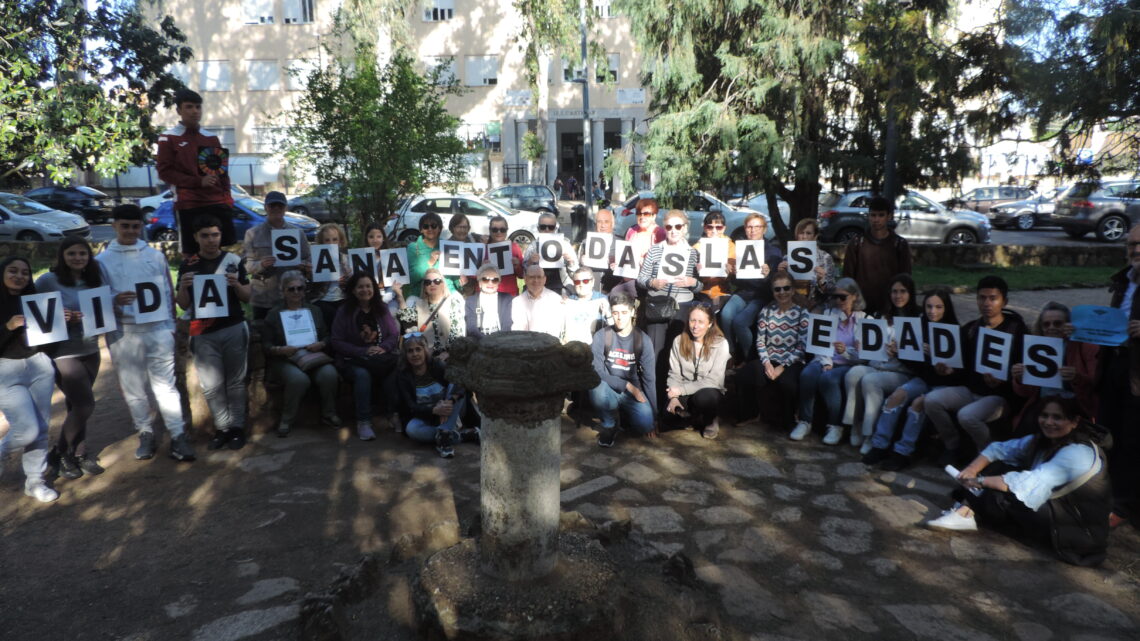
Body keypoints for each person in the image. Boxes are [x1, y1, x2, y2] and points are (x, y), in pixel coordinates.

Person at [925, 398, 1111, 567]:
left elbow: (1028, 483)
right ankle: (967, 510)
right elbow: (999, 449)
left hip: (1077, 531)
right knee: (999, 466)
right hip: (1056, 511)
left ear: (1075, 421)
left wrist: (979, 481)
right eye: (1044, 415)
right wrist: (972, 469)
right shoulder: (1044, 440)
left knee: (1003, 493)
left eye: (1057, 417)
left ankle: (967, 511)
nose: (1048, 422)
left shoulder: (1078, 452)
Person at [97, 204, 193, 461]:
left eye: (135, 226)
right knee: (133, 388)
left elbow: (167, 292)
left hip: (158, 329)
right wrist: (114, 300)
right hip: (124, 332)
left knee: (166, 386)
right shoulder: (102, 261)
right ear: (114, 226)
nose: (130, 231)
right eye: (125, 226)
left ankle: (178, 435)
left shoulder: (155, 256)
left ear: (142, 226)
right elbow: (98, 298)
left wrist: (170, 327)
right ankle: (145, 432)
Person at [925, 276, 1028, 465]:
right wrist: (948, 371)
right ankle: (952, 446)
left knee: (967, 416)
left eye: (993, 298)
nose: (986, 303)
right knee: (932, 400)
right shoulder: (971, 329)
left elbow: (1023, 370)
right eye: (982, 297)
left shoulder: (1017, 331)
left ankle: (988, 457)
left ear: (1004, 301)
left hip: (1000, 397)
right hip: (971, 391)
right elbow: (961, 367)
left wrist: (1004, 380)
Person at [175, 215, 252, 451]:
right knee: (211, 385)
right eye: (205, 236)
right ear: (196, 238)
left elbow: (248, 297)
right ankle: (222, 428)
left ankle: (237, 428)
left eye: (215, 235)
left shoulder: (233, 261)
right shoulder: (188, 265)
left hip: (232, 326)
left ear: (221, 236)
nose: (211, 240)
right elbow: (183, 304)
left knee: (235, 382)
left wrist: (236, 285)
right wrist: (184, 287)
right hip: (203, 330)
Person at [863, 287, 962, 470]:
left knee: (918, 404)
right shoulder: (918, 328)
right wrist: (899, 352)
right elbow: (914, 364)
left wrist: (941, 364)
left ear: (946, 308)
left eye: (938, 307)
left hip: (944, 386)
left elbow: (960, 373)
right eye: (929, 307)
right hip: (924, 380)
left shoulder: (955, 332)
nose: (933, 311)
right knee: (896, 396)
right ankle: (879, 445)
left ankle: (903, 452)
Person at [35, 239, 105, 479]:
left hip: (91, 349)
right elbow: (33, 314)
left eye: (82, 253)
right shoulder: (47, 281)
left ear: (89, 256)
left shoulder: (94, 280)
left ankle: (79, 453)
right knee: (85, 404)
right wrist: (59, 317)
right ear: (62, 256)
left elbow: (100, 311)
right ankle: (60, 452)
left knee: (76, 405)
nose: (77, 258)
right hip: (63, 352)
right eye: (72, 253)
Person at [0, 257, 60, 502]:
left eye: (25, 272)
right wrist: (7, 327)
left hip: (39, 366)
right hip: (5, 370)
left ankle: (35, 481)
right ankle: (2, 451)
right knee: (27, 429)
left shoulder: (35, 300)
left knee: (42, 428)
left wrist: (62, 320)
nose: (19, 276)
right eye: (13, 271)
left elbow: (51, 338)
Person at [841, 274, 922, 452]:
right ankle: (855, 424)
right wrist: (862, 345)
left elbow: (917, 357)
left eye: (903, 291)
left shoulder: (918, 318)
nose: (898, 296)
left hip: (900, 372)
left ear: (910, 293)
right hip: (875, 365)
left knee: (871, 381)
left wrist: (900, 352)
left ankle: (870, 434)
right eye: (894, 291)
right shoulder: (880, 315)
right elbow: (869, 348)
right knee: (853, 374)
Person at [155, 88, 236, 255]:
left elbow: (222, 171)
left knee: (223, 252)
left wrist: (227, 199)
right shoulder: (168, 138)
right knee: (191, 254)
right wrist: (198, 182)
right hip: (189, 204)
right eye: (189, 107)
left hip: (217, 203)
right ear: (178, 110)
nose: (195, 111)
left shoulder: (211, 138)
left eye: (198, 107)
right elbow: (165, 173)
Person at [262, 270, 341, 436]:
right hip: (285, 359)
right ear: (283, 291)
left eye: (300, 288)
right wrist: (280, 350)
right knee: (299, 379)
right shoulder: (274, 314)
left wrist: (321, 343)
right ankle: (286, 419)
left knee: (329, 374)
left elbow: (327, 336)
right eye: (291, 289)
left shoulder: (315, 310)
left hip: (312, 356)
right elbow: (266, 344)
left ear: (305, 290)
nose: (296, 292)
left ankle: (329, 413)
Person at [637, 209, 702, 407]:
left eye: (678, 226)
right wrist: (652, 283)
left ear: (685, 228)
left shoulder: (694, 253)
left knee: (679, 355)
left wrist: (693, 282)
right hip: (658, 306)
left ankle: (676, 402)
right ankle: (654, 404)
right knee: (656, 355)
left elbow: (701, 285)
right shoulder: (655, 250)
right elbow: (641, 279)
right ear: (664, 228)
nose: (673, 230)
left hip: (682, 306)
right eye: (669, 227)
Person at [791, 278, 866, 444]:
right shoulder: (828, 314)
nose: (838, 301)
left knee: (829, 379)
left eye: (843, 297)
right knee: (807, 374)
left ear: (854, 296)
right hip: (824, 359)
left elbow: (863, 357)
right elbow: (818, 344)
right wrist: (826, 361)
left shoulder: (864, 320)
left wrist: (845, 351)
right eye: (835, 297)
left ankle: (835, 425)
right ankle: (805, 421)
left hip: (848, 364)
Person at [1099, 224, 1140, 528]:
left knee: (1132, 438)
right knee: (1108, 431)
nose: (1136, 250)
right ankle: (1105, 494)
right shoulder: (1123, 280)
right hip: (1115, 364)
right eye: (1131, 244)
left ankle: (1123, 505)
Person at [1010, 302, 1099, 436]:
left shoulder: (1083, 345)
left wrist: (1077, 377)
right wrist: (1019, 378)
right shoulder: (1036, 347)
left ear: (1068, 324)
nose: (1051, 328)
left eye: (1058, 323)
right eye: (1046, 324)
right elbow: (1026, 392)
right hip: (1043, 403)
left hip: (1074, 405)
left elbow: (1097, 382)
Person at [735, 271, 809, 430]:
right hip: (770, 358)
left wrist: (783, 366)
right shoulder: (766, 311)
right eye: (777, 289)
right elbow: (760, 341)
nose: (782, 292)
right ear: (773, 292)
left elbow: (802, 346)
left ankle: (789, 419)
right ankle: (751, 414)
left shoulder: (802, 313)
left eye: (786, 288)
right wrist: (767, 363)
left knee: (787, 383)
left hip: (792, 361)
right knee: (745, 374)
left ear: (793, 290)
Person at [331, 272, 400, 441]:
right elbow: (336, 341)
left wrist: (383, 348)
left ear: (374, 289)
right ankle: (363, 421)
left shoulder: (381, 308)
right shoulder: (344, 311)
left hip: (379, 357)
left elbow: (393, 334)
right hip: (353, 360)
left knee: (394, 370)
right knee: (363, 375)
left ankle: (393, 414)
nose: (365, 290)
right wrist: (362, 351)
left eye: (368, 286)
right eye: (360, 287)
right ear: (353, 290)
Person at [590, 293, 656, 447]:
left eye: (624, 312)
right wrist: (627, 385)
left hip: (632, 393)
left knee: (645, 424)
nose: (619, 317)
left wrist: (655, 415)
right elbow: (596, 371)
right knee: (596, 386)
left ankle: (624, 417)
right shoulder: (602, 336)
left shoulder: (643, 339)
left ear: (632, 312)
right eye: (615, 313)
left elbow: (649, 379)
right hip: (608, 388)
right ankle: (609, 425)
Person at [395, 334, 475, 458]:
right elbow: (411, 406)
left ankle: (445, 435)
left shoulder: (437, 365)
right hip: (426, 416)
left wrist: (449, 402)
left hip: (450, 413)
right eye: (410, 351)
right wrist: (434, 410)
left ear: (425, 350)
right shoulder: (403, 375)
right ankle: (456, 435)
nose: (415, 354)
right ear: (405, 355)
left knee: (456, 383)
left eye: (418, 349)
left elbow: (460, 383)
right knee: (412, 430)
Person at [720, 213, 782, 364]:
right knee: (725, 315)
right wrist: (732, 272)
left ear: (764, 229)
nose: (753, 230)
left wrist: (769, 274)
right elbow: (737, 281)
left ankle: (750, 360)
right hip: (743, 292)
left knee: (740, 322)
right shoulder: (741, 248)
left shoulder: (773, 252)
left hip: (762, 294)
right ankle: (732, 353)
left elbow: (777, 282)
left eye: (757, 227)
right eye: (749, 227)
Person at [664, 303, 731, 439]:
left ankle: (710, 420)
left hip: (708, 390)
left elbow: (714, 380)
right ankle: (692, 418)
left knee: (706, 398)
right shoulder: (679, 341)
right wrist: (674, 398)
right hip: (684, 390)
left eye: (701, 322)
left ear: (710, 323)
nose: (695, 326)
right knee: (666, 417)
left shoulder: (721, 344)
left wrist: (681, 390)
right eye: (692, 320)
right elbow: (674, 373)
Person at [243, 191, 312, 320]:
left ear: (286, 208)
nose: (276, 209)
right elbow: (246, 265)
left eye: (280, 206)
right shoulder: (252, 233)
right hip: (264, 297)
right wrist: (261, 265)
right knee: (264, 329)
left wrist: (304, 266)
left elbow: (308, 259)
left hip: (293, 295)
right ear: (265, 207)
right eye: (272, 205)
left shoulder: (298, 232)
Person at [842, 196, 912, 316]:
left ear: (889, 216)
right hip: (861, 306)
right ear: (868, 216)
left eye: (881, 215)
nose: (876, 219)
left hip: (890, 306)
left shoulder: (899, 244)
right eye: (873, 215)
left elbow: (905, 278)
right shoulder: (857, 242)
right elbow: (848, 277)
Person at [400, 267, 467, 358]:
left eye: (437, 281)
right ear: (424, 287)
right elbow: (405, 318)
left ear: (443, 285)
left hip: (448, 355)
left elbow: (457, 332)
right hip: (425, 356)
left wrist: (448, 353)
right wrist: (399, 295)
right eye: (428, 282)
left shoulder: (453, 302)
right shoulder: (418, 304)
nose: (432, 284)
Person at [777, 218, 836, 309]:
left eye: (808, 233)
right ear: (797, 236)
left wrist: (822, 281)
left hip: (817, 304)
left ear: (815, 236)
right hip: (792, 304)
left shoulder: (825, 258)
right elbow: (781, 288)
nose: (804, 237)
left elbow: (831, 290)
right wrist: (781, 274)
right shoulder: (787, 258)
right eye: (801, 233)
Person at [613, 198, 665, 299]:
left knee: (615, 294)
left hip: (647, 281)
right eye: (639, 213)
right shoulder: (631, 231)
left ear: (654, 216)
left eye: (646, 214)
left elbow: (661, 264)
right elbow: (625, 256)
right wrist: (618, 263)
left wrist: (643, 261)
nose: (642, 217)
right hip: (628, 278)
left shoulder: (660, 233)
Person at [523, 212, 579, 295]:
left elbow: (575, 274)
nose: (547, 230)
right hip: (537, 288)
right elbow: (524, 274)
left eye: (551, 227)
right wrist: (530, 263)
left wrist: (571, 263)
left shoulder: (565, 245)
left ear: (555, 228)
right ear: (538, 228)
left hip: (561, 287)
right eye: (543, 227)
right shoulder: (533, 247)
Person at [405, 212, 458, 298]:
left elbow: (452, 274)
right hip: (422, 294)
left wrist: (459, 281)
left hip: (447, 292)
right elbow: (411, 278)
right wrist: (429, 263)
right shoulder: (413, 248)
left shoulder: (446, 246)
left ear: (439, 228)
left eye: (434, 226)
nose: (430, 229)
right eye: (426, 226)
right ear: (421, 230)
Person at [310, 222, 352, 328]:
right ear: (321, 242)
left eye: (335, 239)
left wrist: (346, 282)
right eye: (327, 240)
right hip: (322, 299)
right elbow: (311, 286)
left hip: (342, 298)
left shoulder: (346, 259)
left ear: (340, 241)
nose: (331, 243)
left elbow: (354, 284)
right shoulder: (315, 259)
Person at [362, 221, 407, 317]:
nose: (375, 240)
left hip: (389, 296)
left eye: (379, 236)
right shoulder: (361, 257)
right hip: (368, 298)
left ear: (383, 238)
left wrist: (386, 298)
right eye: (371, 237)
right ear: (366, 238)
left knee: (390, 314)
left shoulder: (391, 255)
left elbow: (396, 282)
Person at [693, 210, 735, 309]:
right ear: (705, 228)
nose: (714, 231)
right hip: (702, 291)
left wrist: (730, 269)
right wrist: (696, 270)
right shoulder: (697, 247)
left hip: (723, 290)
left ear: (724, 228)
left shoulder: (730, 246)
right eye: (710, 227)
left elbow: (733, 272)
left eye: (718, 227)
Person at [511, 264, 565, 338]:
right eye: (532, 277)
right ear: (525, 279)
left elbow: (555, 329)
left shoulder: (555, 300)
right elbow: (519, 330)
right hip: (525, 343)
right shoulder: (517, 302)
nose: (536, 280)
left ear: (544, 279)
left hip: (549, 342)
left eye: (539, 277)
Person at [562, 267, 611, 345]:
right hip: (571, 347)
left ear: (593, 282)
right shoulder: (568, 301)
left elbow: (614, 328)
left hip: (594, 346)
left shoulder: (603, 300)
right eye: (577, 282)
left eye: (585, 281)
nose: (581, 285)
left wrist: (608, 313)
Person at [465, 264, 513, 340]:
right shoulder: (471, 301)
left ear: (498, 283)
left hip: (502, 341)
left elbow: (507, 325)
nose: (490, 283)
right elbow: (472, 328)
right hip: (479, 341)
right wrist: (486, 341)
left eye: (495, 280)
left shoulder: (506, 299)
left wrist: (498, 341)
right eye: (485, 279)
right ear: (479, 283)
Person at [582, 208, 621, 292]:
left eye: (606, 222)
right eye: (599, 222)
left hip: (612, 289)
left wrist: (619, 267)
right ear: (595, 224)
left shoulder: (621, 244)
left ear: (612, 224)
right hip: (590, 290)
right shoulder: (586, 243)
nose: (603, 225)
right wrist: (581, 261)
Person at [484, 214, 525, 296]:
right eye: (495, 230)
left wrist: (517, 267)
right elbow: (474, 276)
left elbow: (522, 275)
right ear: (490, 230)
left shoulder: (514, 247)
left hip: (509, 293)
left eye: (502, 230)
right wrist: (482, 269)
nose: (499, 232)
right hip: (488, 292)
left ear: (507, 230)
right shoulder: (483, 249)